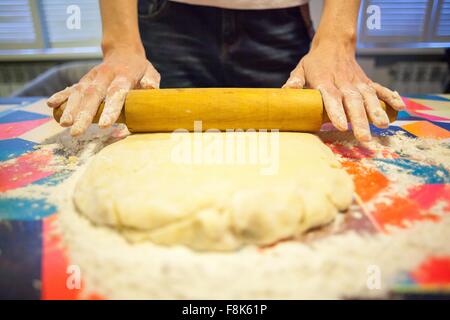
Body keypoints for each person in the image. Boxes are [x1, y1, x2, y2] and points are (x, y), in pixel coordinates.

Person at [47, 0, 406, 141]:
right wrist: (120, 42)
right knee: (151, 145)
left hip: (280, 22)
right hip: (164, 20)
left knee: (293, 151)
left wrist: (338, 38)